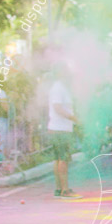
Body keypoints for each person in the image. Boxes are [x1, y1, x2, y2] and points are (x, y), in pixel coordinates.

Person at [48, 70, 81, 198]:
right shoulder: (58, 88)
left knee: (58, 159)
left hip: (60, 128)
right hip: (60, 129)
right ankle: (65, 190)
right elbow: (58, 107)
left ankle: (59, 188)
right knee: (63, 159)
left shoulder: (60, 87)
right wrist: (74, 118)